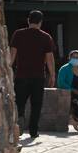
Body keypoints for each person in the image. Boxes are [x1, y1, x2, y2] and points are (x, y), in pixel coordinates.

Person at [9, 10, 56, 140]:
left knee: (20, 102)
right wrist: (52, 75)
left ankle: (20, 120)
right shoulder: (46, 37)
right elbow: (49, 58)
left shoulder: (18, 34)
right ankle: (33, 131)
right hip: (38, 76)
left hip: (21, 75)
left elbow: (12, 55)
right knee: (36, 104)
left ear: (28, 20)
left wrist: (8, 69)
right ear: (40, 22)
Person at [56, 50, 78, 132]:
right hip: (69, 92)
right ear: (69, 58)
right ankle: (74, 119)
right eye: (73, 57)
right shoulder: (64, 68)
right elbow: (60, 82)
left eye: (77, 57)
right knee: (77, 102)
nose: (75, 59)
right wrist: (72, 90)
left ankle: (75, 119)